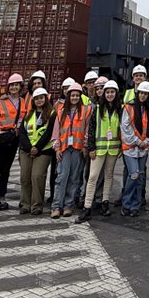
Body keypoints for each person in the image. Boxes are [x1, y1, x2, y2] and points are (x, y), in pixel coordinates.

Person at [76, 80, 122, 222]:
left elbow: (122, 129)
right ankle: (87, 207)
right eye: (107, 92)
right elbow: (91, 129)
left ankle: (105, 203)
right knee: (92, 177)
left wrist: (121, 147)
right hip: (99, 149)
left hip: (113, 149)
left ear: (116, 93)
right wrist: (91, 148)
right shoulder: (97, 109)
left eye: (112, 92)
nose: (109, 95)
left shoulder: (120, 109)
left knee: (108, 176)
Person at [0, 74, 24, 210]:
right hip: (1, 139)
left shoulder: (24, 102)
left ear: (20, 86)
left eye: (16, 85)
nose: (14, 87)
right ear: (8, 87)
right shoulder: (1, 101)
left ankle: (2, 195)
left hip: (13, 139)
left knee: (6, 170)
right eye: (12, 85)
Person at [50, 82, 87, 218]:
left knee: (74, 178)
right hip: (64, 149)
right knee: (62, 177)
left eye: (77, 95)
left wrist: (85, 145)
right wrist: (57, 148)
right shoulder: (60, 112)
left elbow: (87, 130)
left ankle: (68, 205)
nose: (75, 97)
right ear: (68, 96)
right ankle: (56, 206)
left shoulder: (86, 110)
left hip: (78, 149)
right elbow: (56, 133)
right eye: (73, 95)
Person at [18, 87, 56, 214]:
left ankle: (37, 205)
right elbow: (22, 132)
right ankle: (25, 204)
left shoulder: (51, 114)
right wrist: (29, 148)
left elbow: (49, 133)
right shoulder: (29, 114)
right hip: (26, 150)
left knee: (37, 176)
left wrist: (37, 148)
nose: (39, 100)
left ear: (46, 98)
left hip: (43, 150)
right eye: (37, 98)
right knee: (25, 177)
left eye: (41, 98)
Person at [119, 81, 149, 216]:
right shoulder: (129, 107)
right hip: (131, 147)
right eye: (142, 93)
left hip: (143, 148)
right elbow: (125, 128)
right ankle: (126, 202)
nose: (143, 96)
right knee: (134, 174)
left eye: (146, 94)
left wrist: (148, 140)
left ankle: (135, 206)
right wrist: (138, 141)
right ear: (138, 93)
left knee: (140, 178)